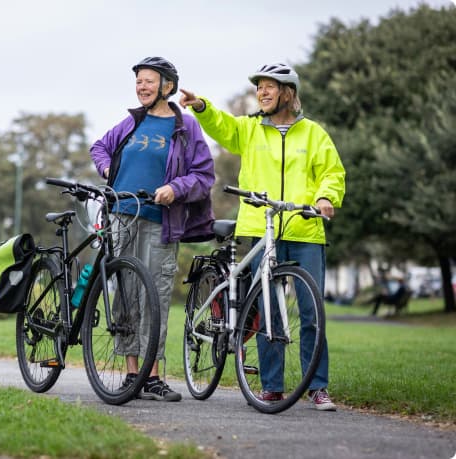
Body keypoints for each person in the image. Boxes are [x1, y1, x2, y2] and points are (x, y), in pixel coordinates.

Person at [179, 63, 346, 411]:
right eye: (260, 88)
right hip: (261, 228)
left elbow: (331, 172)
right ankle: (271, 386)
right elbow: (224, 127)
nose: (263, 93)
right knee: (268, 311)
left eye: (271, 87)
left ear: (288, 93)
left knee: (311, 313)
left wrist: (326, 197)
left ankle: (318, 387)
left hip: (305, 230)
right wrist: (202, 107)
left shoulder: (314, 134)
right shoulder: (251, 129)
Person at [90, 57, 215, 402]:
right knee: (127, 296)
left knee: (154, 298)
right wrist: (106, 168)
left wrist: (176, 188)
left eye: (149, 81)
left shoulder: (185, 126)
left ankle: (153, 376)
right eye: (138, 82)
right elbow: (99, 147)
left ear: (167, 87)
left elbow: (204, 176)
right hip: (121, 216)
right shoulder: (131, 123)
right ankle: (133, 374)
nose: (142, 87)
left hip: (161, 222)